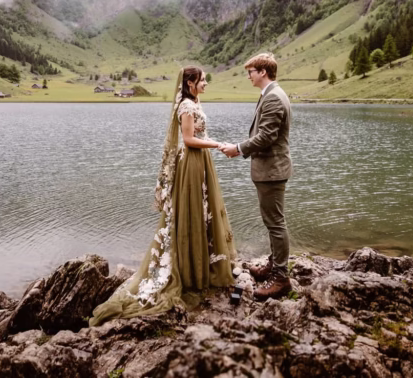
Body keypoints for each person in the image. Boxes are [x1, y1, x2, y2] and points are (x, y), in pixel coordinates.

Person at [90, 66, 236, 325]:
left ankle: (202, 265)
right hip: (192, 162)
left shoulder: (195, 102)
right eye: (202, 80)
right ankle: (190, 271)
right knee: (192, 211)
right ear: (190, 83)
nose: (206, 83)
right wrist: (216, 145)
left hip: (201, 162)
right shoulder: (186, 106)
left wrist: (216, 144)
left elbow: (199, 134)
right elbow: (189, 140)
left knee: (203, 211)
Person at [219, 52, 293, 300]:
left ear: (263, 72)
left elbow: (267, 136)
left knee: (276, 223)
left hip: (272, 170)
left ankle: (281, 278)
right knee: (273, 221)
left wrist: (238, 148)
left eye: (250, 72)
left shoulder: (273, 97)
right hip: (270, 169)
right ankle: (274, 264)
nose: (248, 76)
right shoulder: (271, 94)